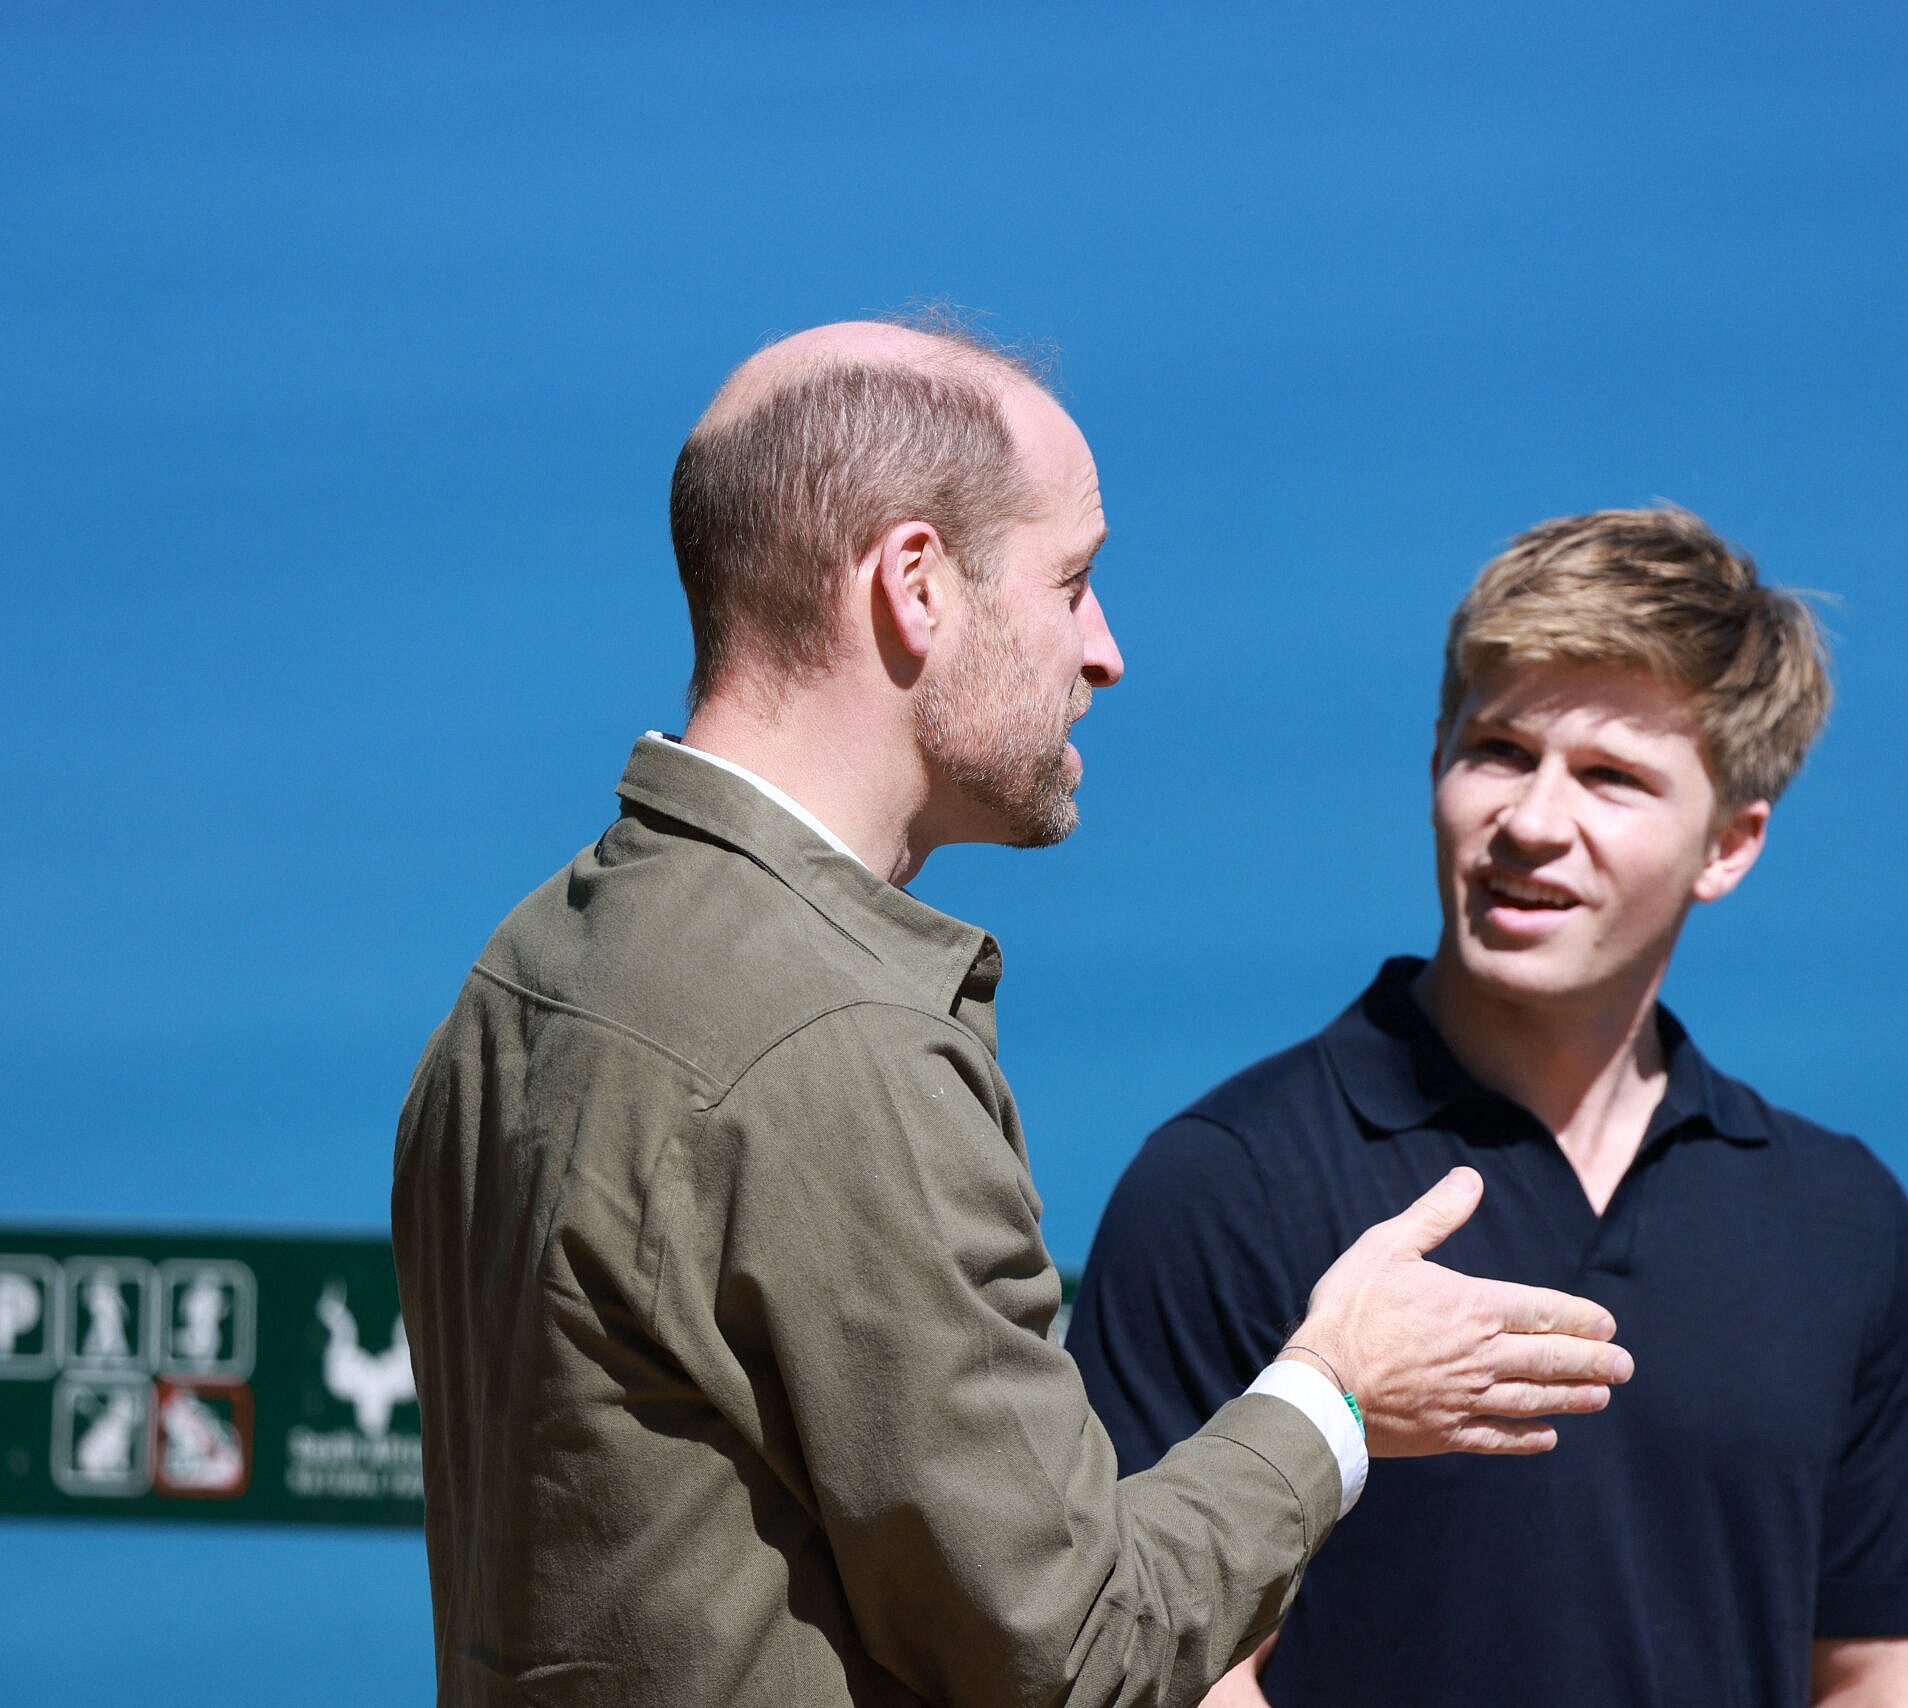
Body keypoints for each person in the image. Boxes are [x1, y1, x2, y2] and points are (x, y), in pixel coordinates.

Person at [388, 319, 1637, 1708]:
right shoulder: (836, 1046)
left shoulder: (528, 970)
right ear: (915, 585)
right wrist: (1335, 1396)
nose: (1104, 653)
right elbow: (1075, 1649)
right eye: (1074, 581)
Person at [1068, 507, 1908, 1708]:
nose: (1533, 824)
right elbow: (1153, 1659)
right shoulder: (1227, 1180)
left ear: (1730, 844)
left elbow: (1879, 1662)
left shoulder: (1836, 1215)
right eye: (1497, 750)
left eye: (1610, 777)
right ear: (1436, 757)